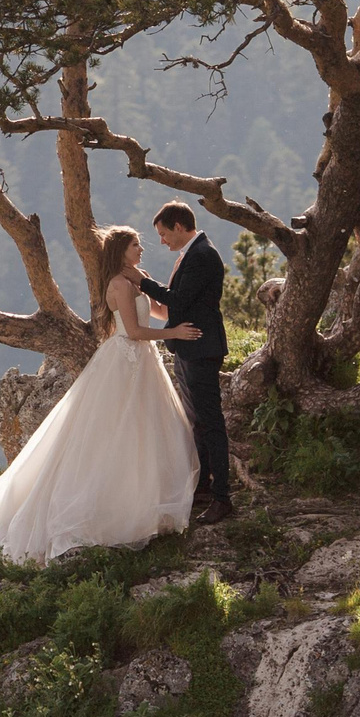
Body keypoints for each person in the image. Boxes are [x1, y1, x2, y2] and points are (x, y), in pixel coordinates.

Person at [0, 225, 199, 563]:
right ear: (121, 250)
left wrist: (166, 288)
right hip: (126, 360)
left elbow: (159, 311)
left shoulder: (135, 278)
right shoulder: (117, 284)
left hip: (143, 363)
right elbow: (135, 331)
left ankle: (149, 502)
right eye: (135, 244)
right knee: (117, 430)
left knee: (145, 429)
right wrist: (176, 334)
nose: (141, 249)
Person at [140, 201, 235, 525]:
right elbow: (177, 306)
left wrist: (141, 282)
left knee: (211, 423)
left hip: (201, 349)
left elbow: (178, 300)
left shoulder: (202, 255)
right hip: (188, 349)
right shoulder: (192, 254)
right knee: (197, 422)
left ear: (179, 226)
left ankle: (222, 497)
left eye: (164, 234)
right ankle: (206, 489)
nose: (163, 241)